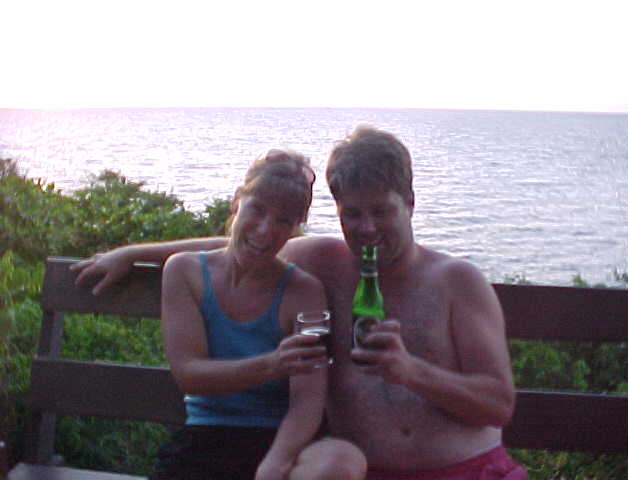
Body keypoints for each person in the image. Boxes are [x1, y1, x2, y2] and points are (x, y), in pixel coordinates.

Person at [73, 126, 527, 479]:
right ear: (338, 210)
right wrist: (134, 253)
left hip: (465, 470)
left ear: (409, 202)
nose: (366, 228)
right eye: (352, 213)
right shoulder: (324, 261)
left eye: (382, 211)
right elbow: (245, 242)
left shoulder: (456, 281)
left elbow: (498, 405)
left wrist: (412, 371)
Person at [91, 148, 366, 480]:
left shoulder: (303, 291)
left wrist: (275, 463)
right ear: (238, 201)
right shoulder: (185, 272)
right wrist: (273, 364)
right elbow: (190, 374)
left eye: (283, 220)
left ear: (296, 228)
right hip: (207, 436)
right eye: (257, 210)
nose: (266, 230)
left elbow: (306, 402)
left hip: (282, 439)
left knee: (339, 462)